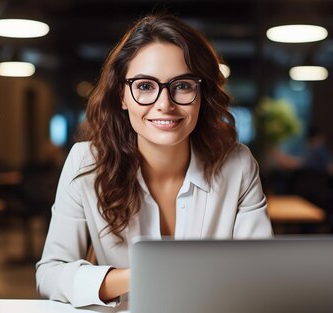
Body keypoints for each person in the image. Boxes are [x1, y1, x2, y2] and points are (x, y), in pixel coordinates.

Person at [35, 14, 272, 307]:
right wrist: (145, 275)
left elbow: (259, 274)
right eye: (145, 86)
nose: (164, 104)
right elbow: (50, 273)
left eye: (183, 85)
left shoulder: (238, 164)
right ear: (122, 95)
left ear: (202, 94)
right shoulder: (86, 163)